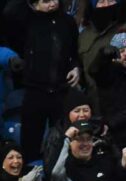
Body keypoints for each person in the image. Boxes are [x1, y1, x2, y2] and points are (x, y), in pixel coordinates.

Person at [4, 0, 80, 161]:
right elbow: (9, 14)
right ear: (34, 4)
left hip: (61, 91)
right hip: (34, 91)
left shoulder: (68, 22)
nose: (52, 4)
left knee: (62, 142)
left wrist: (75, 68)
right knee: (30, 143)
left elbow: (75, 52)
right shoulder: (25, 21)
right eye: (45, 1)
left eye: (54, 0)